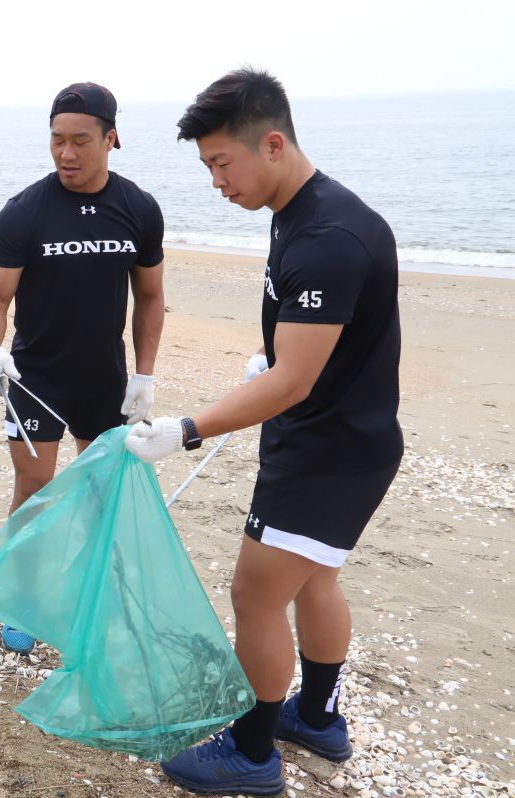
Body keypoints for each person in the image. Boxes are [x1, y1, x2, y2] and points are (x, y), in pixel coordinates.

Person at [125, 68, 403, 795]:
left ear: (272, 144)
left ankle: (251, 753)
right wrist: (277, 349)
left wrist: (184, 429)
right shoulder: (299, 211)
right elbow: (303, 347)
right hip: (346, 442)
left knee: (254, 595)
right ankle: (316, 717)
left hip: (325, 454)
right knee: (316, 580)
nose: (217, 181)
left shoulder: (329, 235)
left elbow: (291, 382)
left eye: (223, 163)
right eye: (207, 165)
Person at [0, 82, 165, 655]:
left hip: (105, 378)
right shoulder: (25, 211)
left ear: (112, 138)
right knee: (35, 490)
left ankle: (97, 596)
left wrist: (145, 372)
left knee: (106, 493)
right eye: (57, 141)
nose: (67, 154)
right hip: (35, 380)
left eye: (81, 141)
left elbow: (151, 297)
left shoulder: (138, 208)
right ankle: (23, 601)